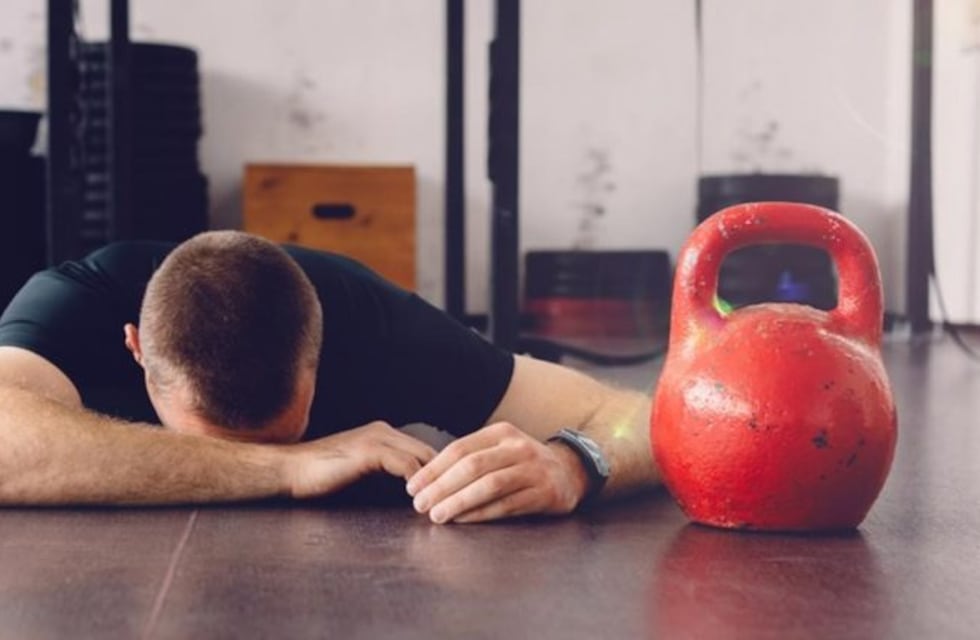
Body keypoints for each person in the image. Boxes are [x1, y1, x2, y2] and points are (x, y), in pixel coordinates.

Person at [0, 231, 660, 523]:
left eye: (283, 435)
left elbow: (644, 419)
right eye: (215, 445)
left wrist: (576, 464)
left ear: (321, 352)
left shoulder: (376, 324)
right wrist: (288, 466)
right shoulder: (76, 302)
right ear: (137, 350)